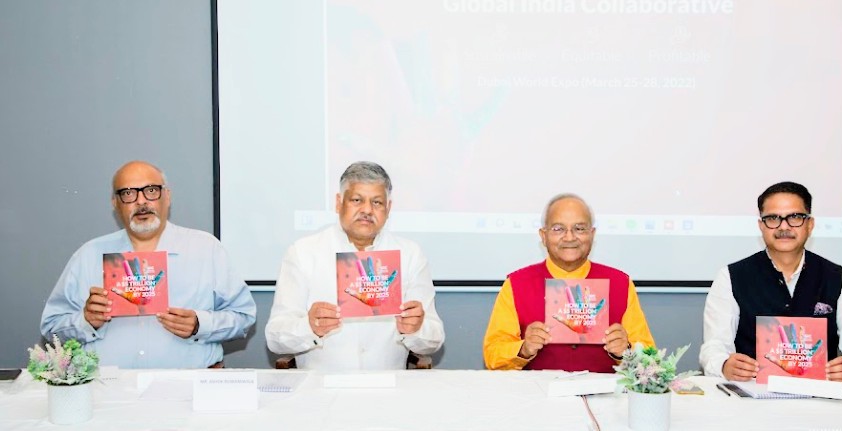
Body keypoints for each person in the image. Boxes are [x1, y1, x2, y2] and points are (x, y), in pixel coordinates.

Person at [40, 161, 257, 369]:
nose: (141, 202)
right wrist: (86, 321)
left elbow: (243, 317)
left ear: (167, 196)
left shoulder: (206, 249)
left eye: (151, 191)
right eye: (128, 193)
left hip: (188, 386)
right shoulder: (89, 255)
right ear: (115, 203)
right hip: (109, 388)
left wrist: (200, 324)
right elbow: (52, 327)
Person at [265, 161, 444, 370]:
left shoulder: (410, 254)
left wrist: (416, 329)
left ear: (388, 208)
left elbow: (435, 339)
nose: (367, 210)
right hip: (320, 385)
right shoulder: (303, 252)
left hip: (388, 384)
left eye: (377, 202)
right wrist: (309, 327)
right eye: (357, 200)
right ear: (338, 203)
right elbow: (275, 338)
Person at [699, 181, 842, 386]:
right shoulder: (731, 277)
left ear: (810, 224)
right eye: (773, 218)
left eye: (795, 217)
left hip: (821, 397)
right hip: (750, 395)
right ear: (761, 226)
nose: (784, 227)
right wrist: (724, 365)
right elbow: (714, 347)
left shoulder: (839, 277)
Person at [482, 193, 655, 372]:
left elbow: (650, 360)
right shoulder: (517, 284)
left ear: (592, 234)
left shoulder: (620, 283)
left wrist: (626, 351)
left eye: (579, 228)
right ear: (543, 236)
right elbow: (492, 355)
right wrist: (523, 349)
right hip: (537, 389)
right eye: (558, 229)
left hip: (603, 389)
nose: (570, 237)